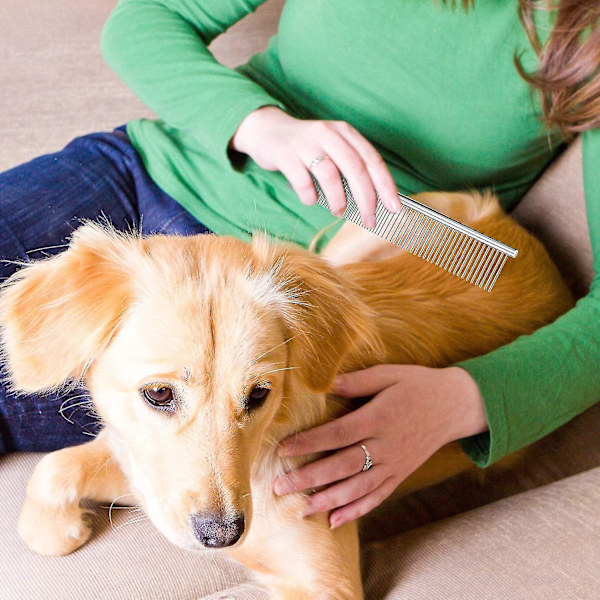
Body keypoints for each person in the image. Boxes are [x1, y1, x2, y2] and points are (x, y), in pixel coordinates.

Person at [1, 0, 600, 536]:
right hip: (151, 169)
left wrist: (464, 399)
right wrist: (257, 123)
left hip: (280, 289)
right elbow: (143, 18)